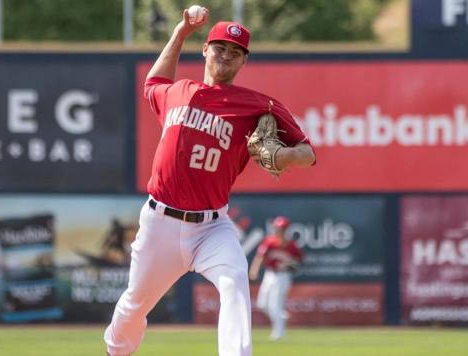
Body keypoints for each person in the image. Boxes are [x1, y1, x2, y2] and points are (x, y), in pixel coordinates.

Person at [104, 6, 315, 356]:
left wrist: (282, 155)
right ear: (205, 50)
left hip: (212, 228)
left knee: (235, 283)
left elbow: (307, 153)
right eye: (220, 48)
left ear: (243, 62)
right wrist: (181, 32)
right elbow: (153, 83)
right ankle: (115, 351)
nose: (226, 56)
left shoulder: (258, 105)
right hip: (160, 223)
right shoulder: (179, 91)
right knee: (135, 304)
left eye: (236, 53)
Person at [249, 216, 303, 341]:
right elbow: (259, 257)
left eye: (282, 228)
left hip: (283, 276)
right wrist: (253, 271)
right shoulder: (269, 242)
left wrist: (291, 265)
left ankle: (279, 333)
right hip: (269, 274)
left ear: (287, 229)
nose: (280, 231)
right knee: (262, 304)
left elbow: (299, 261)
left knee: (275, 305)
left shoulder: (291, 246)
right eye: (278, 228)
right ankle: (281, 317)